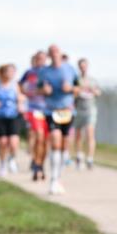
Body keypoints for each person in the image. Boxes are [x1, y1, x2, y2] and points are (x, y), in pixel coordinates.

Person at [38, 44, 79, 194]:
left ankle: (58, 176)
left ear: (61, 54)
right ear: (49, 55)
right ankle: (53, 179)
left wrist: (71, 89)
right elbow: (38, 89)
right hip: (51, 110)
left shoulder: (70, 69)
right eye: (52, 52)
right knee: (55, 141)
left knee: (64, 144)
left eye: (57, 51)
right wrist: (44, 90)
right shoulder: (44, 72)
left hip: (67, 110)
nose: (55, 54)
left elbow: (78, 88)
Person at [0, 64, 25, 177]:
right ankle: (3, 164)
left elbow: (20, 97)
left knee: (14, 142)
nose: (11, 74)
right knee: (3, 142)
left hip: (13, 116)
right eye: (9, 72)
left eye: (13, 72)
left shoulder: (15, 85)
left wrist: (20, 103)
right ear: (3, 73)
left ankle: (12, 158)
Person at [20, 52, 49, 181]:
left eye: (43, 59)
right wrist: (26, 93)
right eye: (38, 59)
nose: (40, 61)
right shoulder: (30, 72)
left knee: (46, 141)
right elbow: (20, 85)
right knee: (38, 135)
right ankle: (36, 164)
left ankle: (40, 164)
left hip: (48, 110)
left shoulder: (50, 72)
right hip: (34, 109)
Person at [73, 57, 101, 169]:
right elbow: (72, 93)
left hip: (90, 109)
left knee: (90, 133)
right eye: (81, 66)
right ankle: (79, 155)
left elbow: (99, 92)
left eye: (85, 66)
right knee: (78, 134)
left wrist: (92, 90)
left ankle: (90, 158)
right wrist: (78, 90)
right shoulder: (75, 80)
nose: (83, 68)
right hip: (78, 109)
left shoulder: (93, 80)